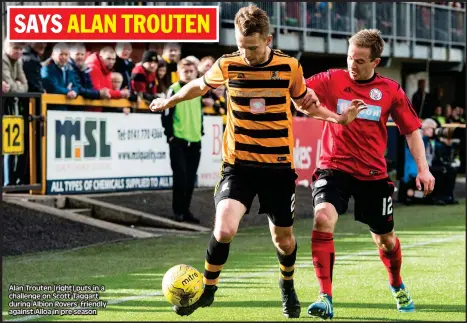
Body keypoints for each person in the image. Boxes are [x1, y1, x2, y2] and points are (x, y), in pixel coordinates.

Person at [149, 5, 365, 318]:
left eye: (252, 47)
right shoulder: (228, 64)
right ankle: (208, 290)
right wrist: (170, 99)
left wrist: (339, 119)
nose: (246, 53)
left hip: (277, 168)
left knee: (284, 239)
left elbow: (306, 104)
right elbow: (199, 85)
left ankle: (287, 284)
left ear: (267, 39)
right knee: (224, 229)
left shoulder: (289, 67)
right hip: (238, 164)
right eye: (240, 45)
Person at [304, 29, 435, 320]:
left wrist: (423, 169)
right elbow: (300, 96)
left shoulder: (390, 90)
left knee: (385, 240)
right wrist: (331, 116)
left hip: (373, 174)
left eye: (361, 60)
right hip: (333, 166)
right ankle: (325, 296)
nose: (353, 64)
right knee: (322, 218)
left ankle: (397, 284)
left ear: (375, 61)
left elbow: (412, 131)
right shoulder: (330, 79)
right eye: (350, 57)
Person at [161, 58, 203, 224]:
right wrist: (170, 135)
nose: (188, 73)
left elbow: (199, 113)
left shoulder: (199, 90)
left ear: (196, 72)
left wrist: (200, 131)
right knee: (180, 177)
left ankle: (186, 211)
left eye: (191, 70)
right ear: (179, 72)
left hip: (195, 140)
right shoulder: (174, 89)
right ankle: (178, 211)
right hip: (178, 140)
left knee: (190, 178)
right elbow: (166, 114)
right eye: (185, 70)